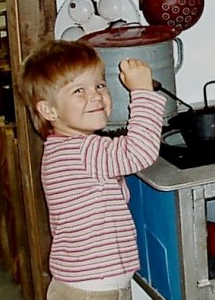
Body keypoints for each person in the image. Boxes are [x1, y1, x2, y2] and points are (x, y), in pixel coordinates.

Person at [16, 40, 166, 300]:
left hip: (90, 286)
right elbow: (140, 151)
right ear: (49, 110)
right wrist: (143, 91)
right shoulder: (83, 152)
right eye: (78, 91)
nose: (96, 95)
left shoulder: (65, 148)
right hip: (92, 292)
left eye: (99, 85)